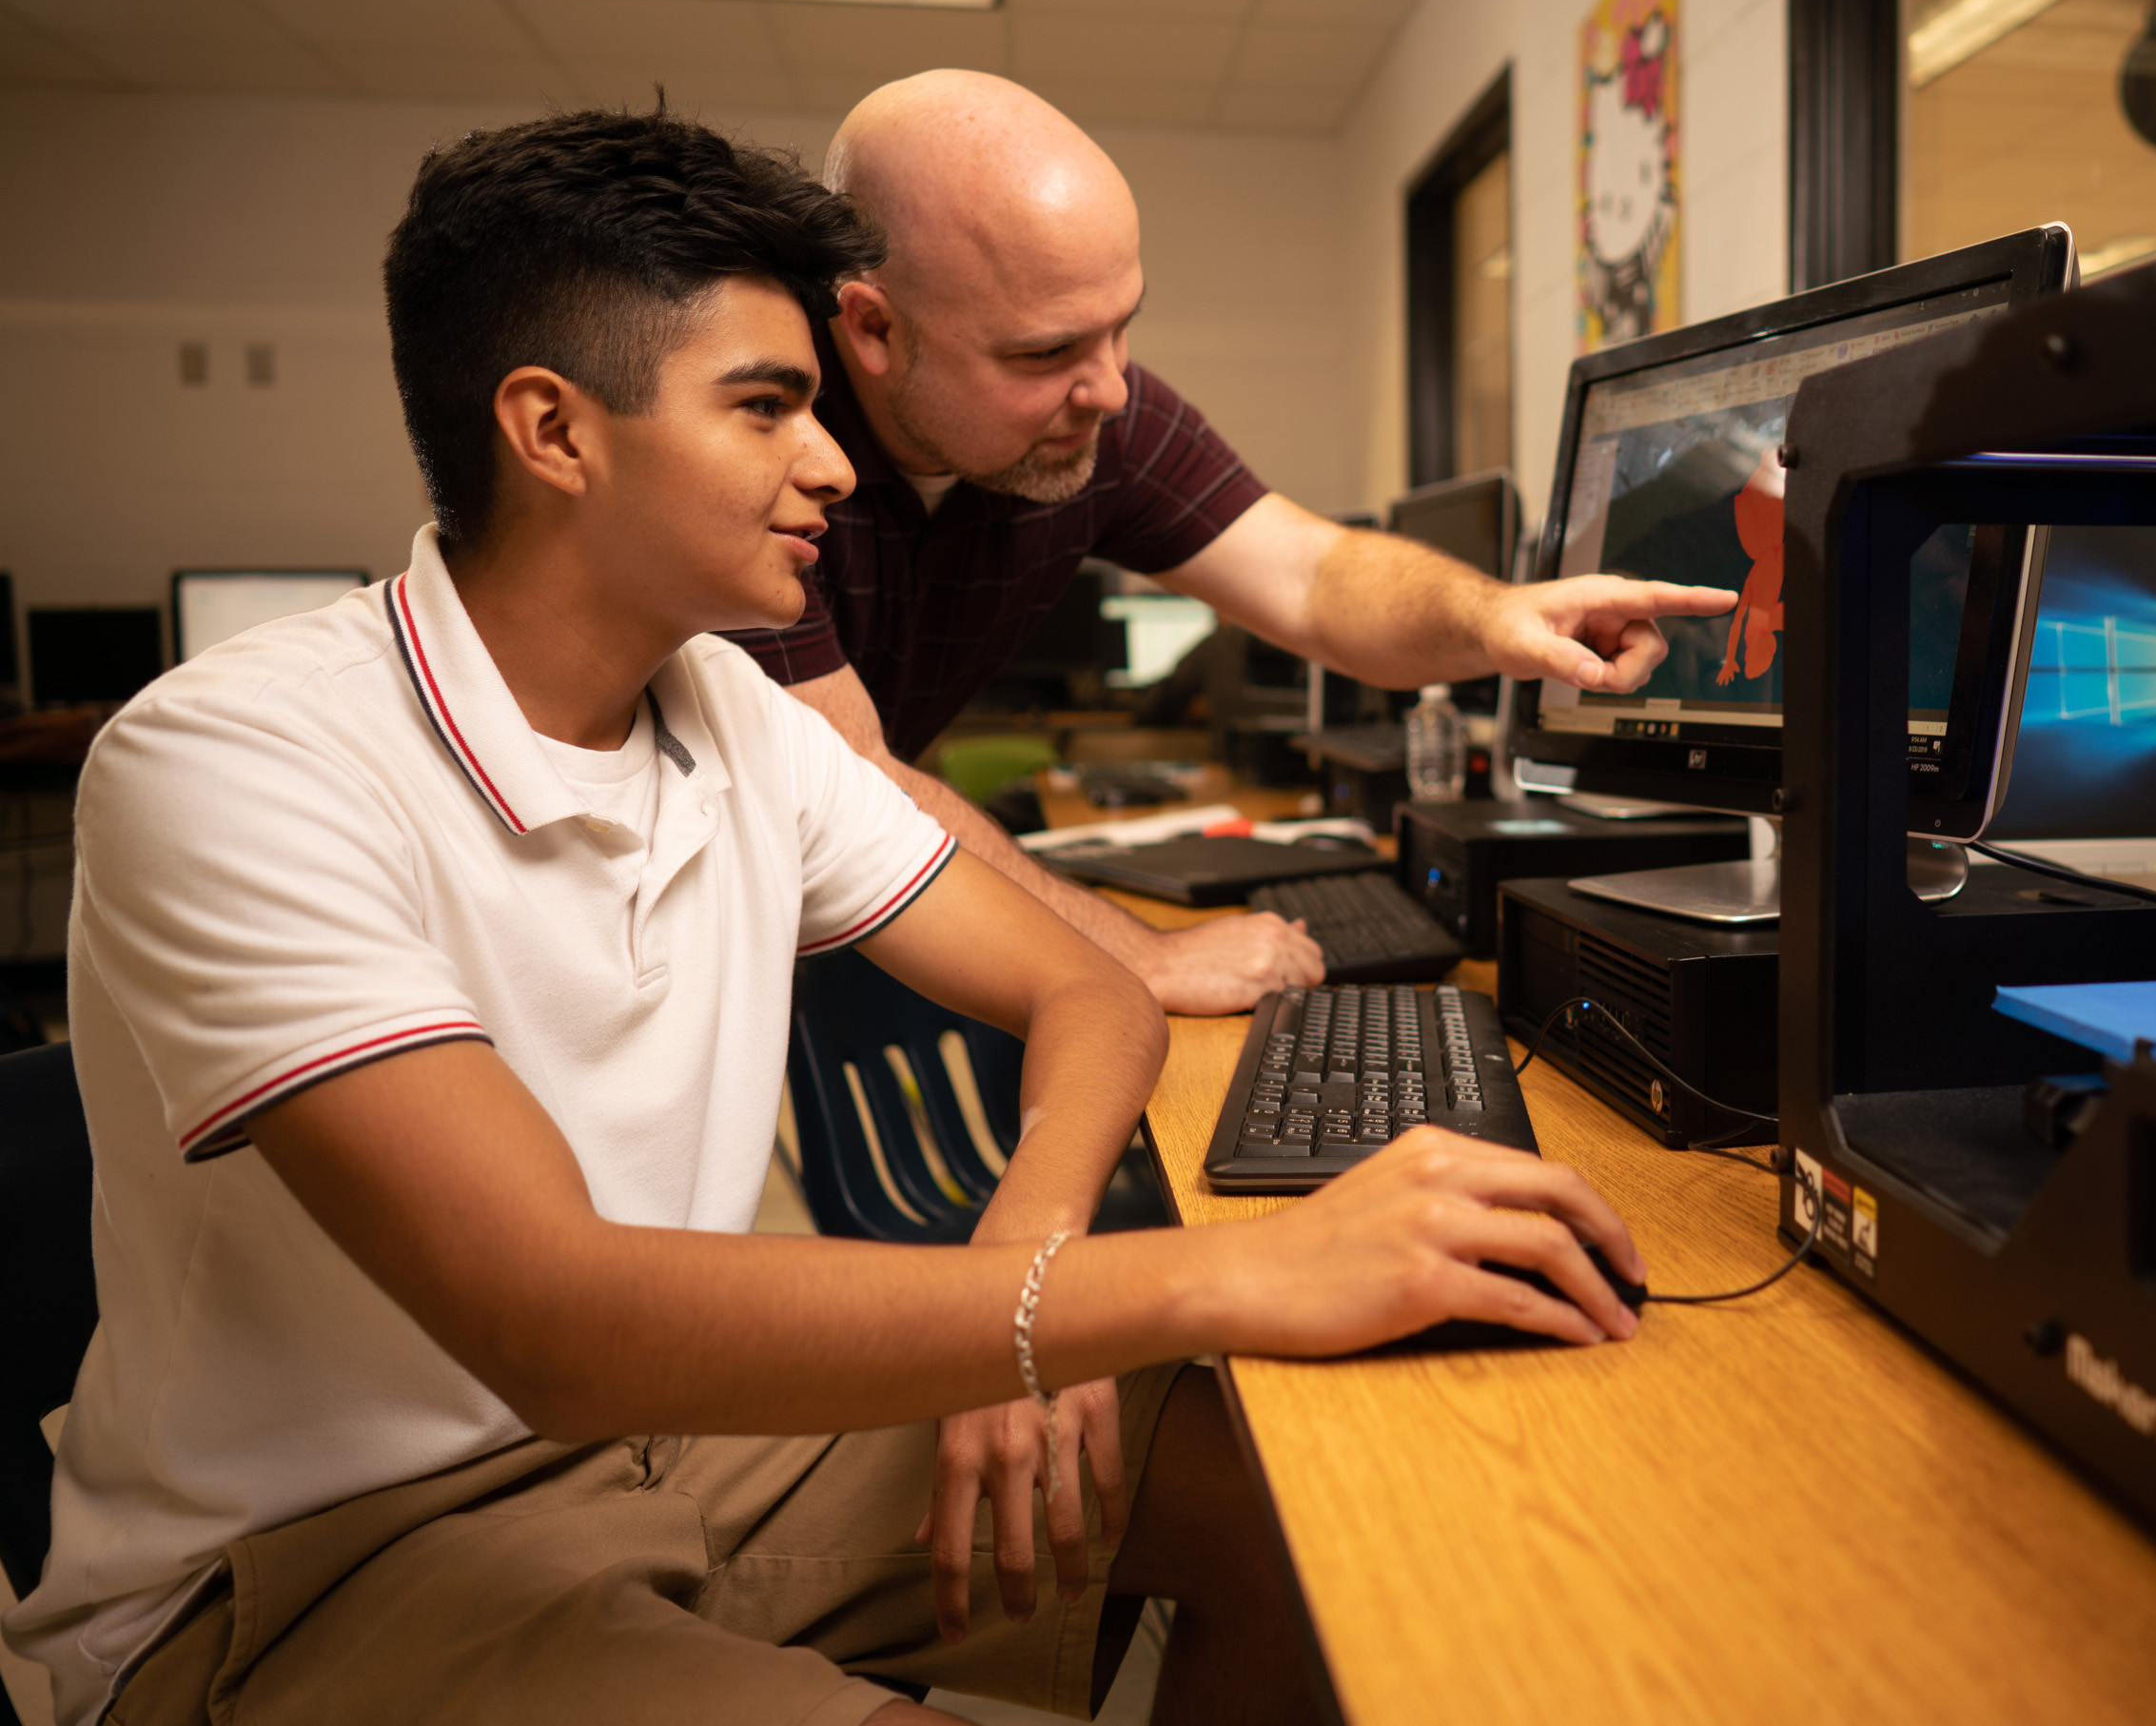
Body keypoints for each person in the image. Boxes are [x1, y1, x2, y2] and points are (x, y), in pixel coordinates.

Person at [3, 107, 1645, 1726]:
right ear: (554, 431)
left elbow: (1094, 999)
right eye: (768, 407)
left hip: (675, 1448)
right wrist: (1169, 1290)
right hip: (327, 1562)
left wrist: (1034, 1260)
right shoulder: (231, 763)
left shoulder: (730, 714)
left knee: (1303, 1503)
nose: (833, 464)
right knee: (1212, 1346)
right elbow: (559, 1324)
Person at [723, 69, 1737, 1018]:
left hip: (857, 892)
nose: (1111, 388)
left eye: (1123, 328)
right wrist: (1142, 953)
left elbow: (1313, 575)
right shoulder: (756, 447)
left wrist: (1493, 615)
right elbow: (850, 777)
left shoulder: (1095, 420)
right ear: (870, 328)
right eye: (1047, 352)